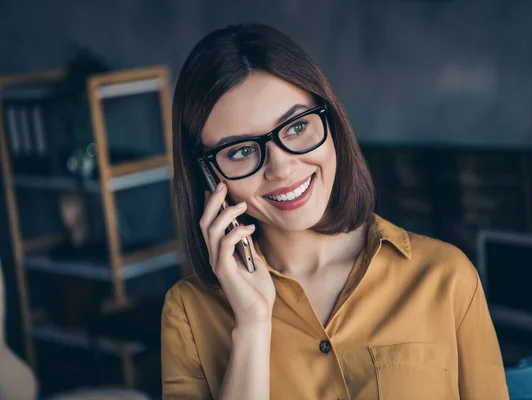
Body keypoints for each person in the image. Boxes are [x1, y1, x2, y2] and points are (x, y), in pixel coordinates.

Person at [162, 22, 509, 400]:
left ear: (331, 121)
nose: (280, 168)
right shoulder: (189, 315)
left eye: (296, 127)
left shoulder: (447, 277)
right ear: (209, 175)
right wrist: (252, 327)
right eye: (241, 151)